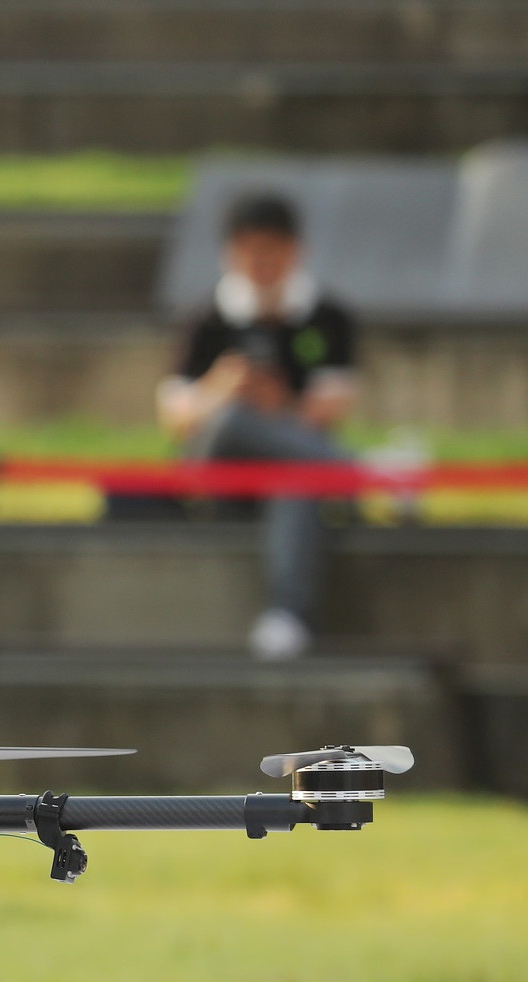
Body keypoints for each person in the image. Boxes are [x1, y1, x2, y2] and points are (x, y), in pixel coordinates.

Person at [158, 192, 358, 661]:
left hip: (288, 465)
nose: (260, 261)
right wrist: (224, 388)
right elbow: (176, 417)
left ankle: (286, 617)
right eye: (249, 248)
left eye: (270, 247)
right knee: (231, 419)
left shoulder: (328, 317)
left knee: (295, 478)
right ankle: (356, 473)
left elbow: (335, 403)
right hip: (217, 467)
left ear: (294, 250)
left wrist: (279, 406)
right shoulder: (204, 318)